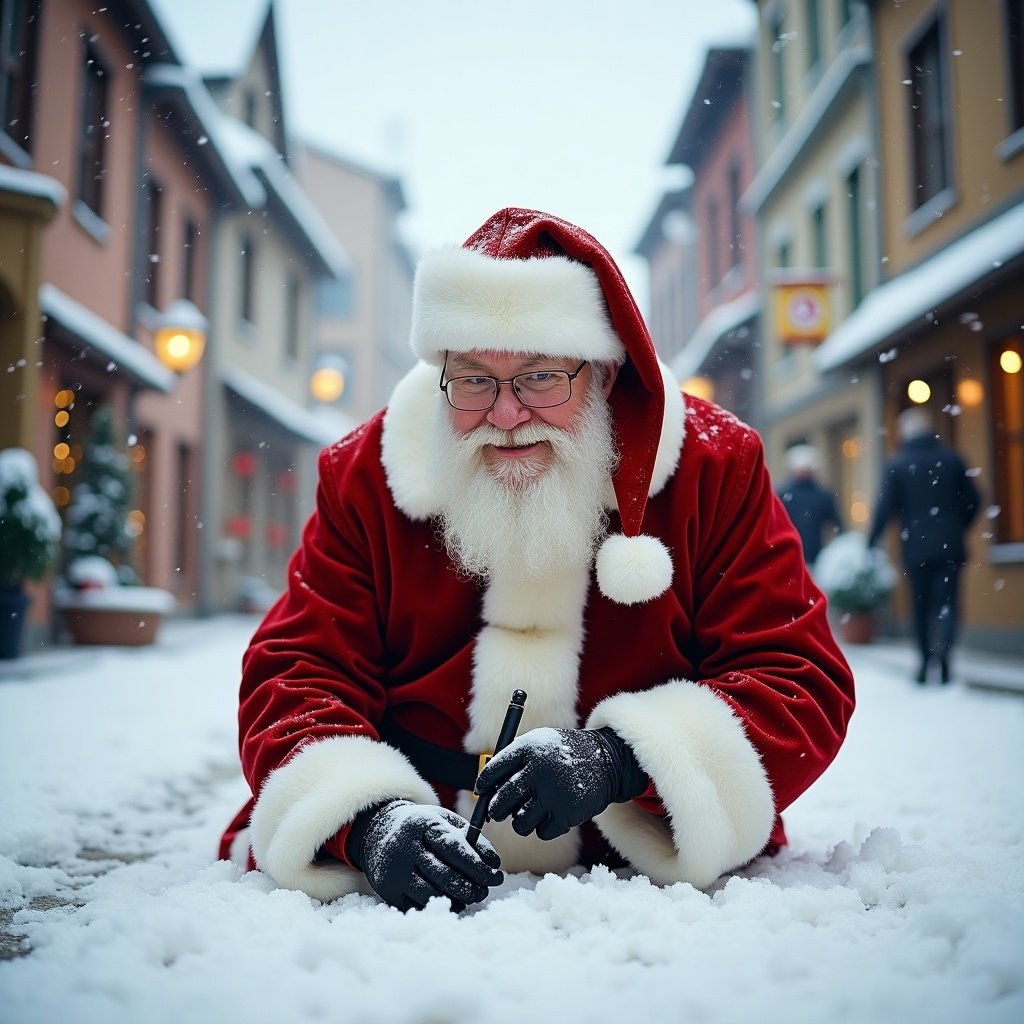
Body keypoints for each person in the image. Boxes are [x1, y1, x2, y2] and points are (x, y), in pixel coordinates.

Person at [220, 208, 855, 912]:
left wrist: (621, 759)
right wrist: (368, 820)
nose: (505, 414)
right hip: (412, 877)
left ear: (604, 375)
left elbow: (797, 677)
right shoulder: (368, 473)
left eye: (541, 377)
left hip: (641, 881)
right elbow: (297, 674)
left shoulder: (713, 466)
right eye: (473, 380)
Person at [867, 407, 980, 685]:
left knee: (920, 605)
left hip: (915, 549)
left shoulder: (898, 463)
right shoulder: (951, 458)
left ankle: (923, 662)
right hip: (950, 547)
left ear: (905, 433)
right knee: (947, 603)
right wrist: (957, 526)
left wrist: (871, 540)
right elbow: (974, 499)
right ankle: (944, 657)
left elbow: (885, 507)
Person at [776, 443, 843, 565]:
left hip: (811, 555)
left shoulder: (822, 495)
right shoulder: (783, 494)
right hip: (794, 554)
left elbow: (836, 524)